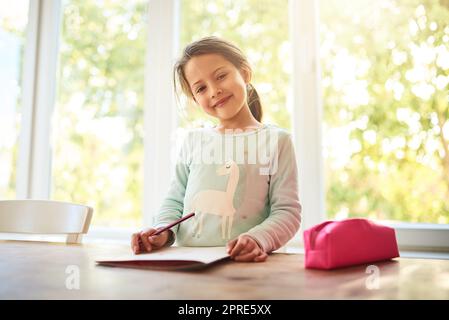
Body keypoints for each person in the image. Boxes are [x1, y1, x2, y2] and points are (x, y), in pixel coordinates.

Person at [131, 36, 301, 262]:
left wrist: (258, 239)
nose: (214, 91)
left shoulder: (277, 141)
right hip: (187, 264)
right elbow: (174, 201)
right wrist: (161, 231)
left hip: (244, 266)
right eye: (201, 88)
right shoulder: (193, 141)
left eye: (221, 76)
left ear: (245, 73)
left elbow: (287, 212)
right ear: (194, 99)